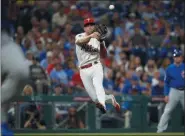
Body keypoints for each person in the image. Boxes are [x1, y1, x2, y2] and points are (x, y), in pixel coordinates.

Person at [75, 18, 120, 114]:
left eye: (91, 25)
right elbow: (78, 42)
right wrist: (92, 36)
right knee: (94, 98)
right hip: (83, 70)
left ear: (95, 26)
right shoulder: (79, 36)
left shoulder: (99, 40)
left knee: (98, 85)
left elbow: (104, 56)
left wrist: (101, 43)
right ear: (84, 28)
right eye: (87, 25)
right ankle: (110, 98)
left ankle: (103, 105)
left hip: (96, 66)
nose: (89, 27)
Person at [1, 30, 30, 135]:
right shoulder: (13, 46)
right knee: (4, 100)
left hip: (15, 73)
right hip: (24, 74)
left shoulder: (7, 47)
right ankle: (3, 126)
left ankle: (2, 126)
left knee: (3, 99)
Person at [157, 49, 184, 133]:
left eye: (178, 56)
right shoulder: (169, 68)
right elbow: (166, 83)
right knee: (167, 110)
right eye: (175, 57)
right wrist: (166, 94)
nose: (176, 58)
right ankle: (160, 129)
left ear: (181, 57)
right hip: (174, 91)